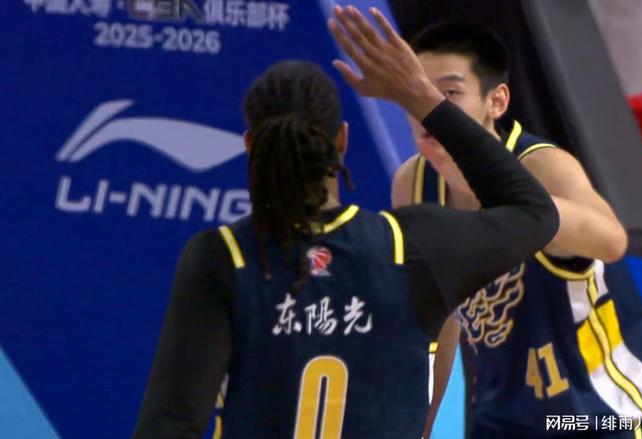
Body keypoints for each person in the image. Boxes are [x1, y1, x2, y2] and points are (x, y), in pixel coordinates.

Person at [131, 6, 559, 439]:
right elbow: (535, 213)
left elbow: (170, 425)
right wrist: (423, 100)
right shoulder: (410, 248)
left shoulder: (225, 257)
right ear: (342, 140)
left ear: (250, 145)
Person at [392, 21, 642, 438]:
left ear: (496, 101)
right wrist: (426, 425)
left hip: (596, 415)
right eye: (419, 93)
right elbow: (439, 318)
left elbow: (612, 241)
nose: (430, 109)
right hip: (501, 419)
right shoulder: (414, 184)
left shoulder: (543, 167)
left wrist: (507, 196)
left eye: (449, 93)